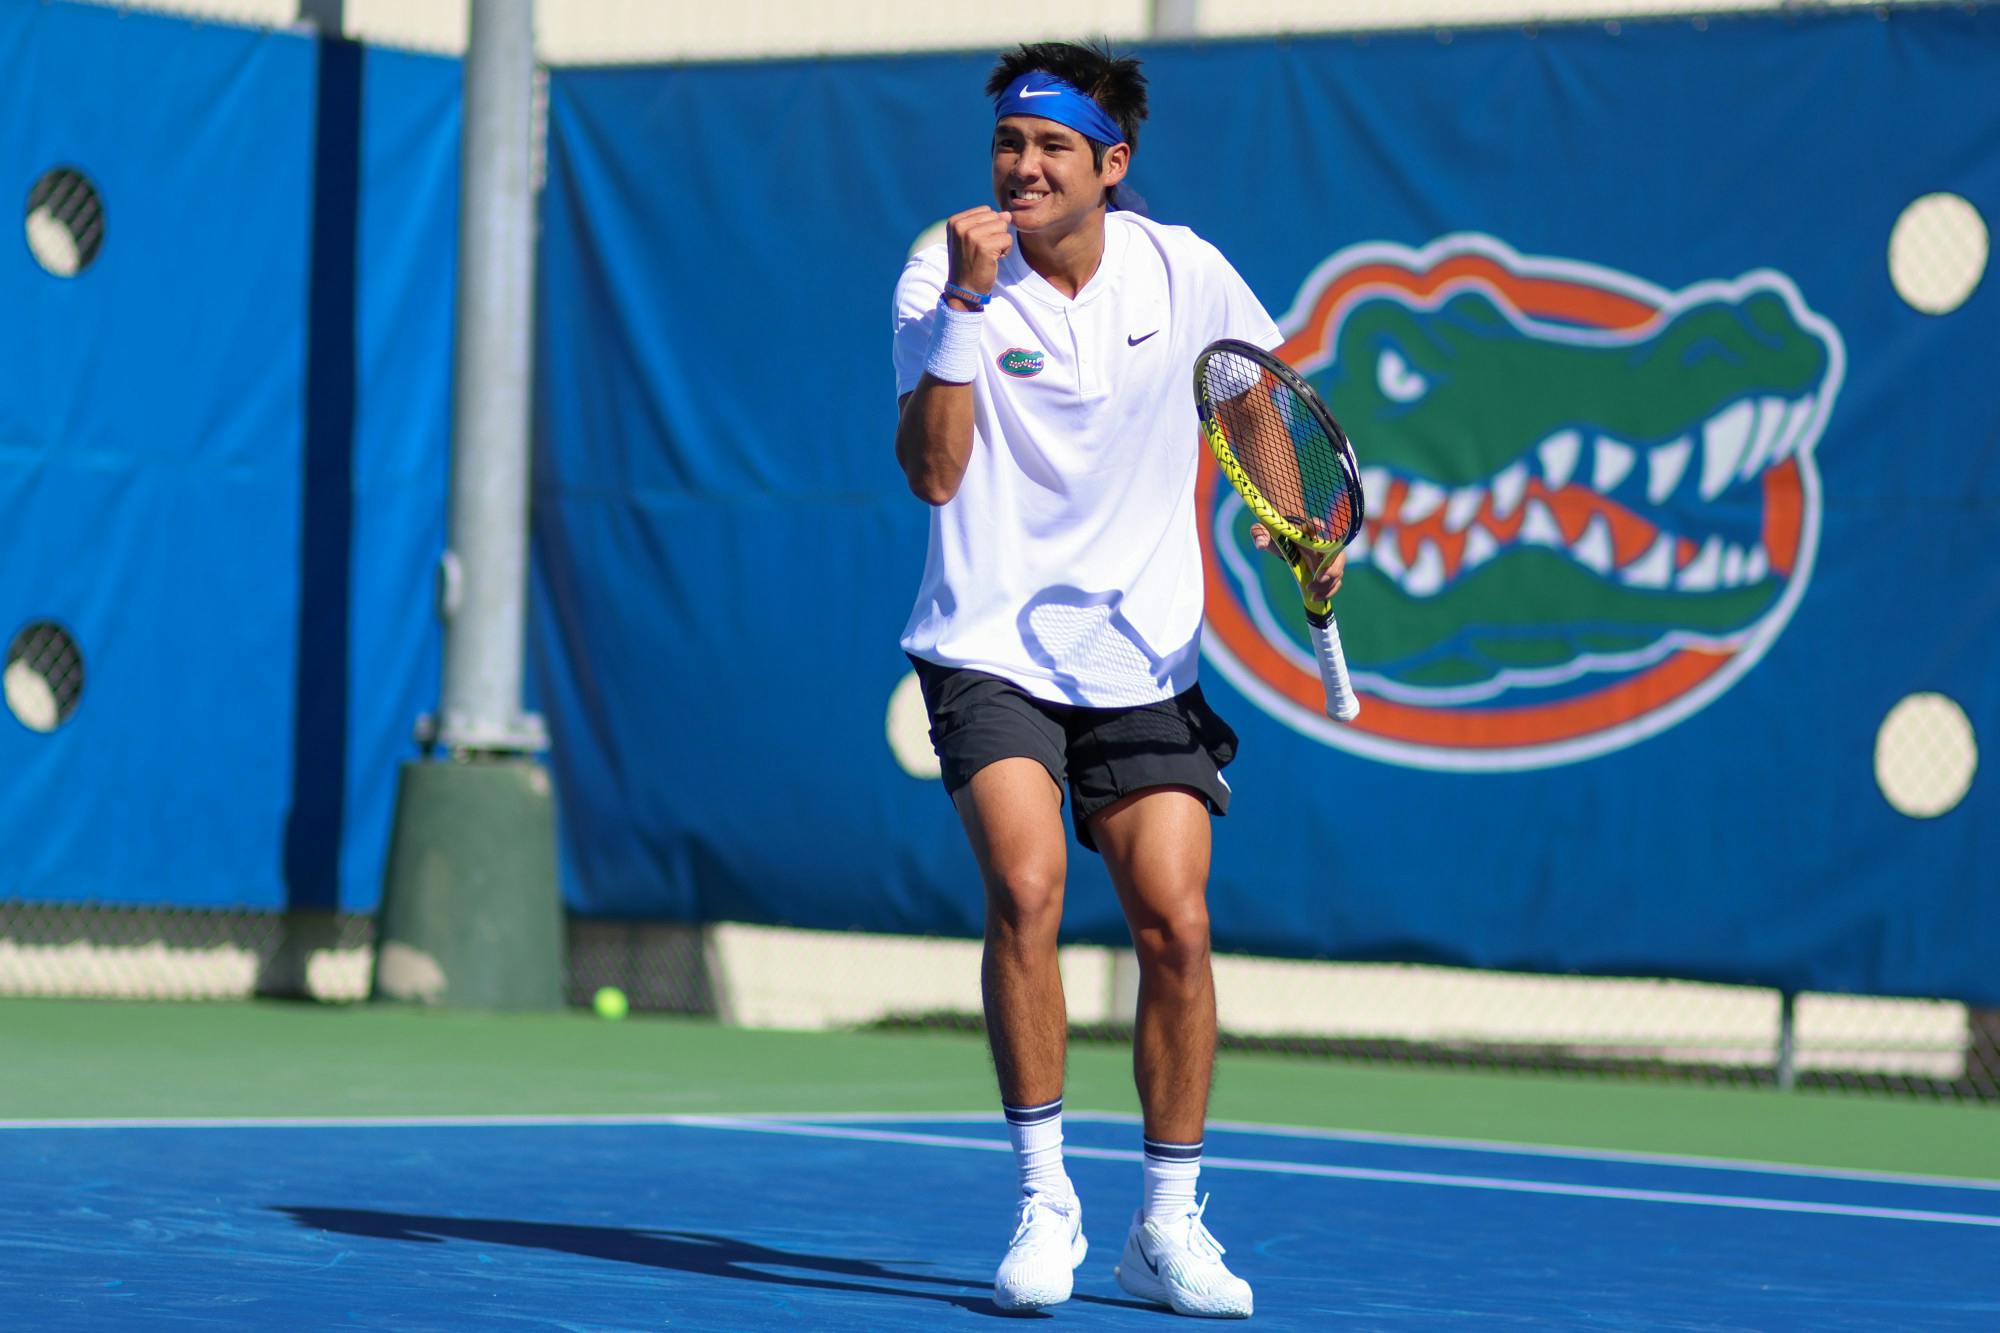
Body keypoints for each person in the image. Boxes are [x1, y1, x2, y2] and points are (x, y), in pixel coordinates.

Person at [890, 40, 1342, 1319]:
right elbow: (930, 470)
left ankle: (1164, 1225)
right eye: (1005, 144)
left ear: (1110, 164)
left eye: (1047, 147)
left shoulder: (1181, 268)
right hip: (985, 642)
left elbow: (1251, 399)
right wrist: (969, 311)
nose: (1019, 167)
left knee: (1175, 926)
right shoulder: (943, 269)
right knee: (1026, 888)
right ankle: (1044, 1201)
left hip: (1142, 652)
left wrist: (1291, 516)